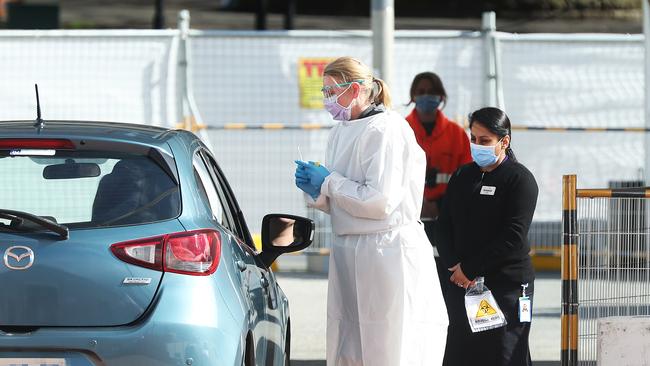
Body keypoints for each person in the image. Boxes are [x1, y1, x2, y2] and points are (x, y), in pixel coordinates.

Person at [294, 56, 448, 366]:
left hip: (386, 251)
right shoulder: (340, 131)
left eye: (331, 91)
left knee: (390, 345)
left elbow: (380, 201)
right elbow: (345, 196)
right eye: (324, 91)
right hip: (350, 249)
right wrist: (318, 191)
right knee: (349, 342)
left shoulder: (386, 130)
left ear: (356, 90)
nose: (327, 99)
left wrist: (330, 183)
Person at [434, 107, 538, 366]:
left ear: (504, 141)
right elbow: (443, 224)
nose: (477, 145)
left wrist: (470, 268)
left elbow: (513, 236)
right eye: (473, 139)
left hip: (505, 286)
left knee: (503, 352)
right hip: (461, 283)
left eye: (485, 141)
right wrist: (454, 266)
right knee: (460, 352)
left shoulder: (519, 179)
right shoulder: (462, 175)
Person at [404, 71, 472, 306]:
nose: (426, 97)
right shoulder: (401, 130)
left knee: (447, 274)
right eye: (421, 92)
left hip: (447, 215)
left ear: (441, 96)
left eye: (431, 92)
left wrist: (441, 204)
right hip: (411, 215)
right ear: (412, 95)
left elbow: (466, 178)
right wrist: (421, 201)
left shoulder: (456, 134)